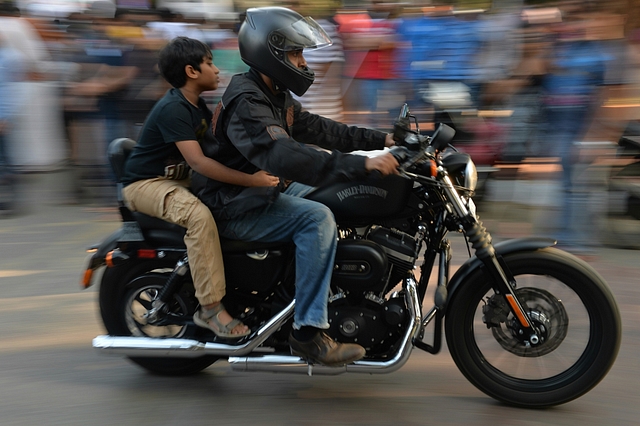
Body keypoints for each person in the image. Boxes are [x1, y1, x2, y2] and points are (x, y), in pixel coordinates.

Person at [191, 7, 399, 367]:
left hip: (261, 192)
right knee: (317, 219)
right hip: (234, 203)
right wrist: (360, 164)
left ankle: (320, 292)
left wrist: (383, 138)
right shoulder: (248, 100)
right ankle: (307, 332)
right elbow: (282, 155)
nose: (302, 62)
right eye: (296, 53)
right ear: (269, 52)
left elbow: (322, 130)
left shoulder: (273, 93)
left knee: (339, 201)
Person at [120, 36, 280, 339]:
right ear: (192, 71)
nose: (217, 70)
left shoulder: (198, 107)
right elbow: (200, 163)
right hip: (146, 184)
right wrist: (252, 179)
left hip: (175, 180)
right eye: (210, 63)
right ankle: (210, 309)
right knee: (198, 216)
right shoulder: (174, 108)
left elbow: (221, 148)